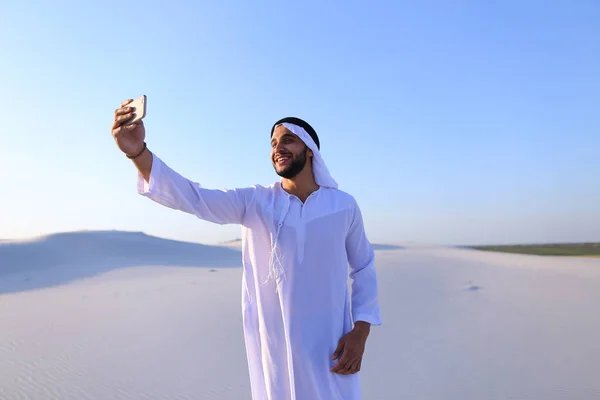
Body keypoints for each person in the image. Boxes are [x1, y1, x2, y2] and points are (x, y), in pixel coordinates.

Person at [111, 99, 382, 400]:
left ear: (310, 150)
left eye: (287, 140)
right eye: (273, 143)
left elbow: (363, 267)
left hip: (331, 347)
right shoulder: (256, 202)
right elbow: (195, 198)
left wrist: (361, 332)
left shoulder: (342, 205)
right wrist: (137, 153)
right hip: (277, 349)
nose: (278, 148)